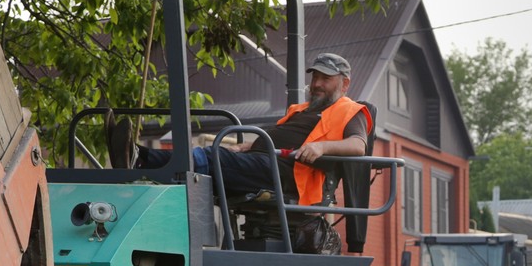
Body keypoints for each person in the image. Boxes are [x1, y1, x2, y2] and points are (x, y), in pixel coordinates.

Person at [107, 53, 371, 203]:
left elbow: (358, 146)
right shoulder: (301, 110)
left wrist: (322, 146)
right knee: (212, 156)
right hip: (266, 160)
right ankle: (140, 159)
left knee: (214, 159)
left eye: (326, 79)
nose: (317, 84)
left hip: (292, 173)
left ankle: (141, 161)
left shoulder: (351, 110)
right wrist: (252, 144)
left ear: (344, 84)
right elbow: (278, 136)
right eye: (315, 78)